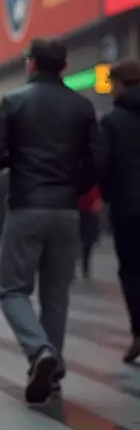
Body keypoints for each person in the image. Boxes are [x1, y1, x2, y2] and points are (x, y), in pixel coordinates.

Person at [0, 37, 101, 405]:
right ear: (63, 66)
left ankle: (39, 351)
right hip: (67, 210)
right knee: (55, 294)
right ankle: (53, 374)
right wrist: (72, 188)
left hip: (26, 206)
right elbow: (98, 161)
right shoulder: (82, 106)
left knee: (12, 289)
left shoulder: (14, 102)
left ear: (31, 64)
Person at [99, 57, 140, 364]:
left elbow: (104, 166)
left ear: (121, 84)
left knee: (131, 270)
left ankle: (139, 331)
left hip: (129, 209)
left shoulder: (113, 121)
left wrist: (108, 195)